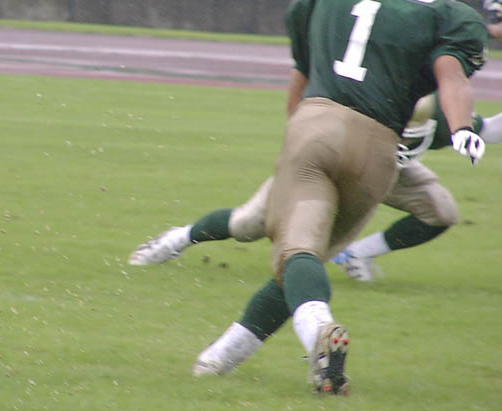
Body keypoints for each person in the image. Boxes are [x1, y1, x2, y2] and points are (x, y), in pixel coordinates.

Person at [140, 0, 488, 396]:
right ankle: (219, 359)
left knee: (296, 255)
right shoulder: (446, 15)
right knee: (305, 257)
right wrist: (462, 128)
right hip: (378, 151)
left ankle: (317, 332)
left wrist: (296, 139)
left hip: (316, 128)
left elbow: (301, 77)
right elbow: (452, 76)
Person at [128, 94, 502, 281]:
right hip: (335, 159)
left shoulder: (441, 120)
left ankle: (357, 254)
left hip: (390, 171)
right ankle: (177, 239)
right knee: (248, 225)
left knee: (441, 211)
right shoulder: (366, 101)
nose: (405, 136)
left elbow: (489, 130)